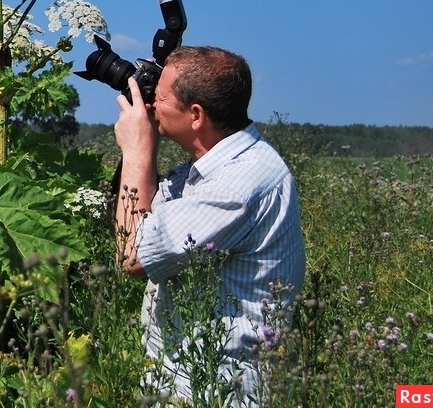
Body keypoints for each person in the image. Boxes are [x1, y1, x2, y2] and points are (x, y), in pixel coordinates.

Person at [112, 45, 305, 405]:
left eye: (161, 96)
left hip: (213, 386)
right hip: (187, 372)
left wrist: (136, 150)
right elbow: (150, 216)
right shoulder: (218, 162)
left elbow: (133, 254)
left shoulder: (237, 185)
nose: (151, 102)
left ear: (196, 115)